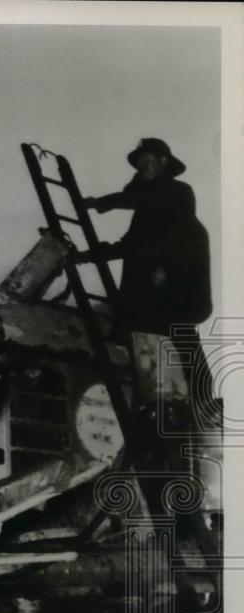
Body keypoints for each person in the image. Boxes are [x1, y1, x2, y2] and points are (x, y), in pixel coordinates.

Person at [84, 137, 214, 409]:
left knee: (181, 336)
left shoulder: (177, 192)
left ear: (163, 161)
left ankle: (203, 403)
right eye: (140, 161)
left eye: (148, 159)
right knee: (143, 336)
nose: (142, 164)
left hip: (178, 280)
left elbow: (175, 234)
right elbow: (131, 244)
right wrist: (88, 256)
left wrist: (100, 203)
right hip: (150, 290)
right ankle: (150, 405)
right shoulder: (146, 211)